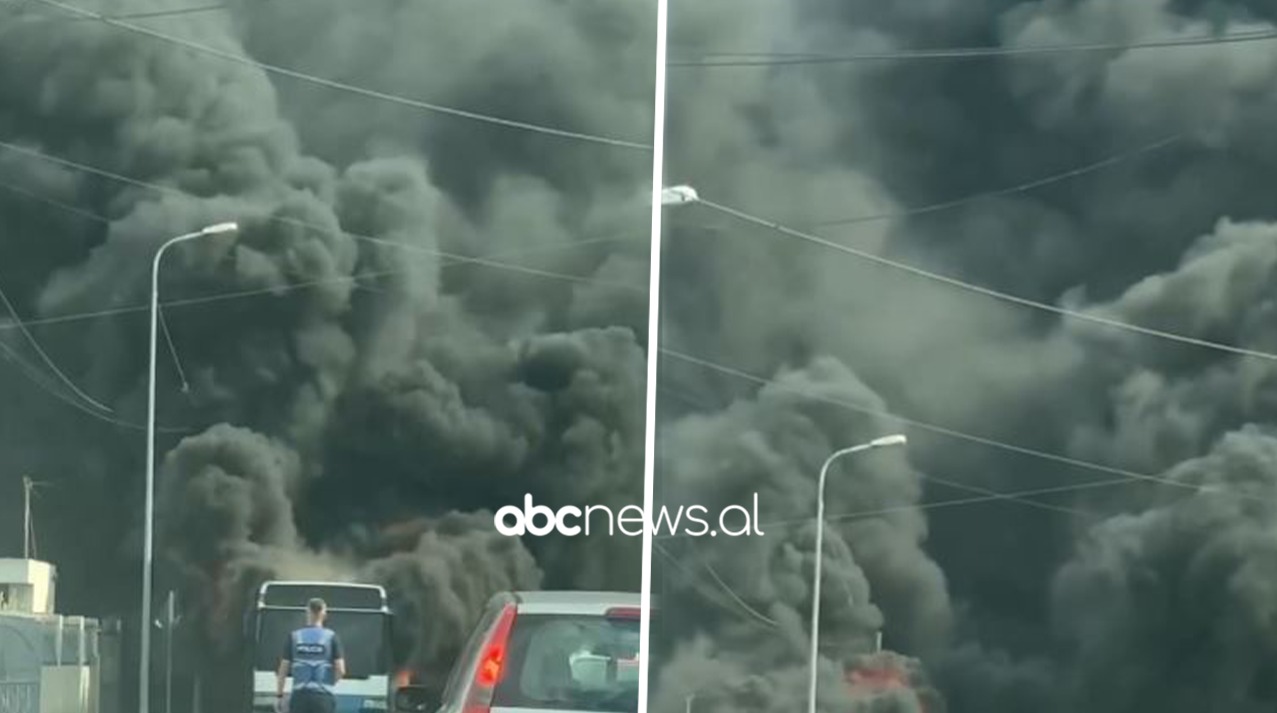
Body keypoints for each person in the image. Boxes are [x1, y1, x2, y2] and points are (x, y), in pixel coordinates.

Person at [276, 598, 346, 713]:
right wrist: (328, 684)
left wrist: (279, 696)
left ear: (307, 612)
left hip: (299, 697)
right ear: (324, 613)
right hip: (323, 697)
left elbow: (283, 670)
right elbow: (341, 670)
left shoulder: (294, 637)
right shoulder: (332, 637)